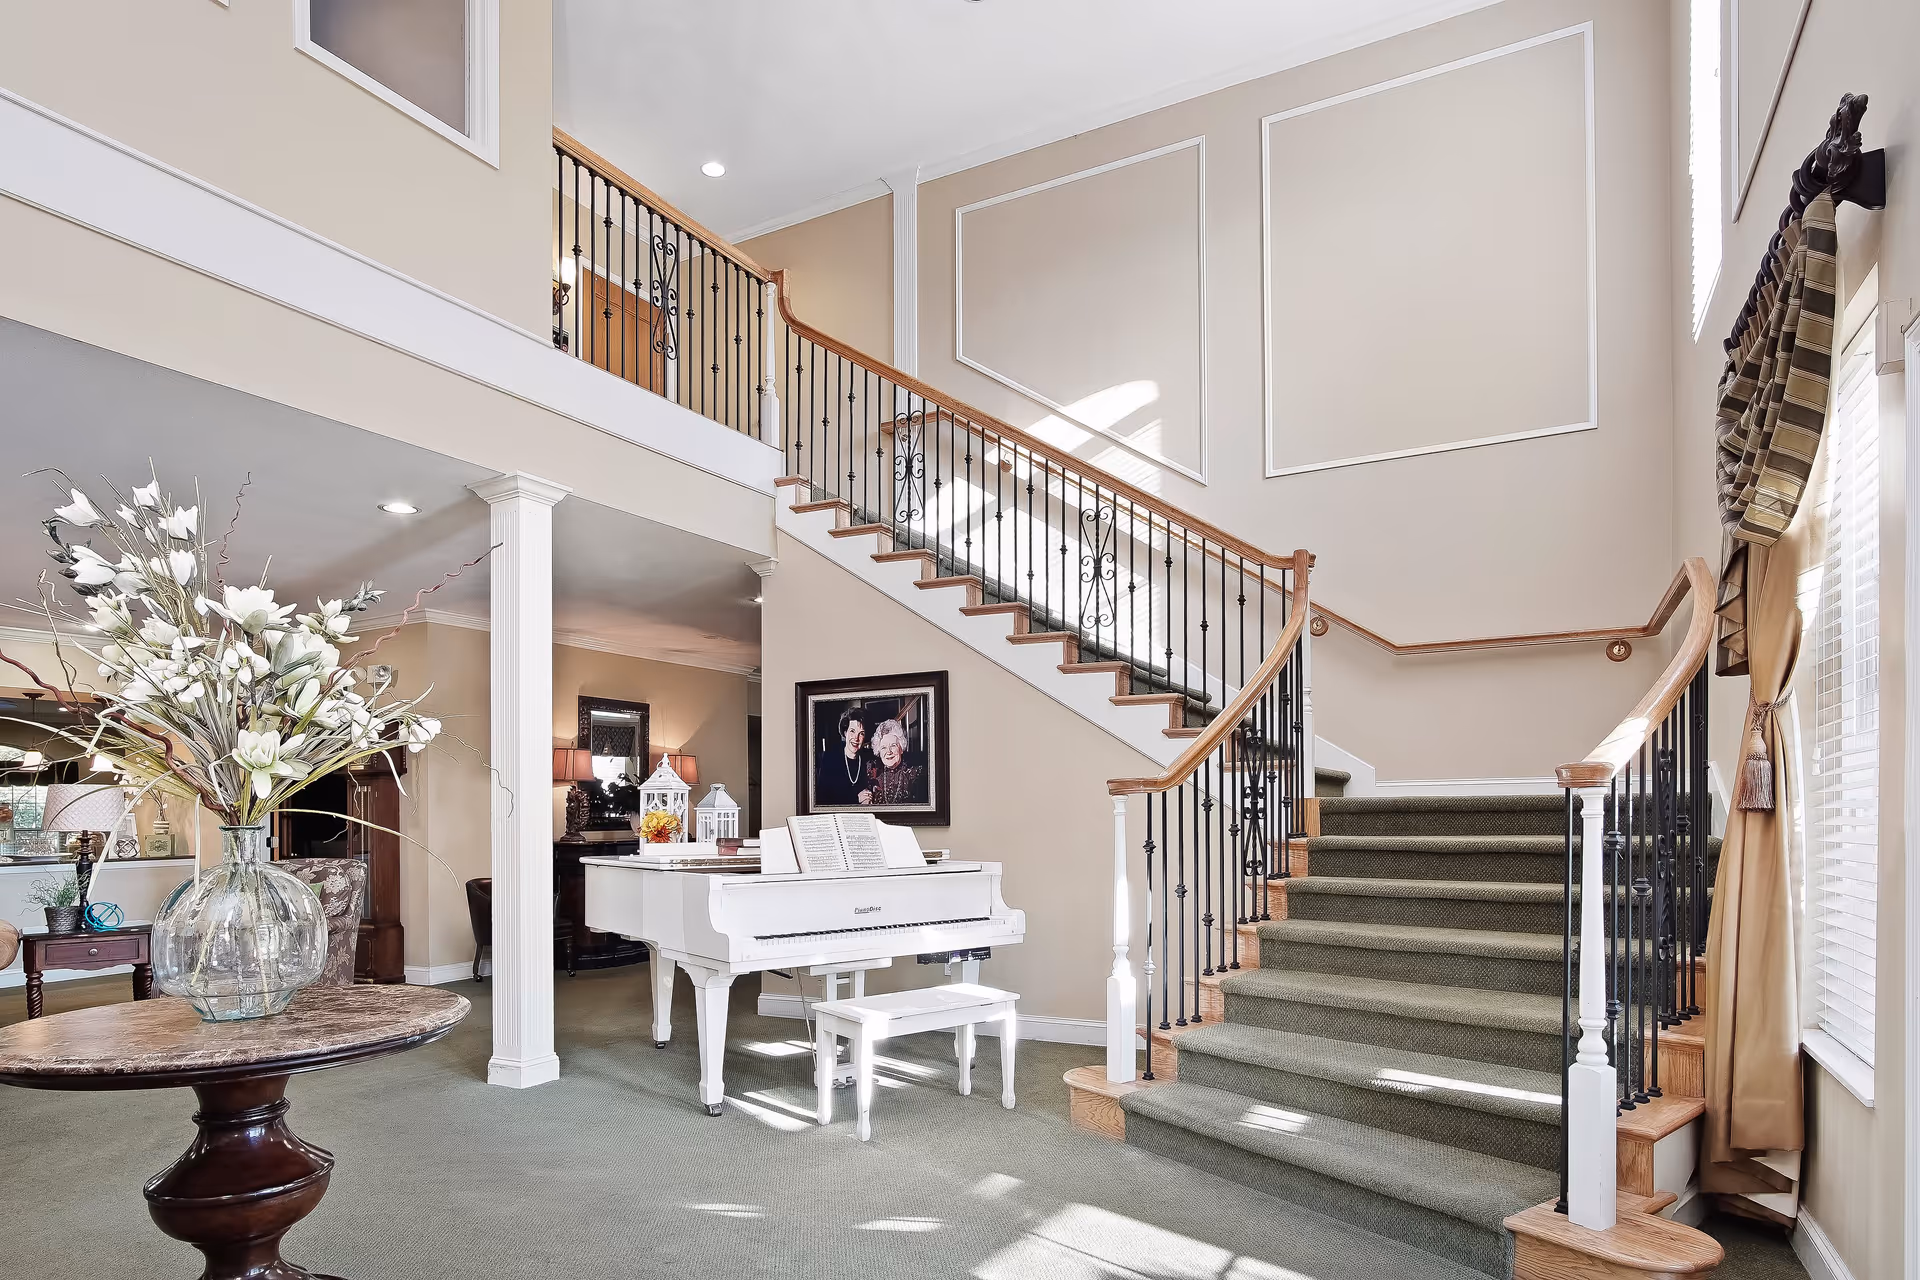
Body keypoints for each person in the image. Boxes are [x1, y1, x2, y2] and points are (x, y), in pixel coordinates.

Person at [813, 706, 872, 807]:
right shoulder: (830, 759)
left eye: (861, 733)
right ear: (845, 732)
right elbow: (822, 799)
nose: (856, 738)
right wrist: (855, 799)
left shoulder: (869, 758)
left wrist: (868, 796)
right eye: (852, 731)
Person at [863, 719, 926, 807]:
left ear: (901, 748)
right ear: (879, 751)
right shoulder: (871, 769)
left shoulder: (915, 772)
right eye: (884, 747)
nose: (888, 752)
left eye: (893, 745)